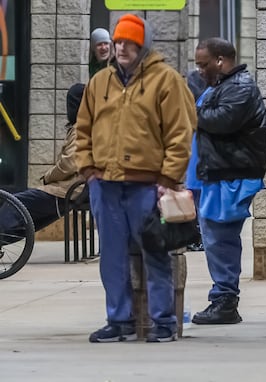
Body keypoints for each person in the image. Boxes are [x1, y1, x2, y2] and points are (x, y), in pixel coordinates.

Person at [75, 14, 196, 343]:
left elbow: (180, 133)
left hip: (148, 186)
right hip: (106, 185)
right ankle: (119, 320)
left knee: (155, 252)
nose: (123, 47)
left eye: (130, 42)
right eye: (119, 41)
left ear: (144, 46)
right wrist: (88, 171)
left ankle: (164, 321)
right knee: (111, 256)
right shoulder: (99, 83)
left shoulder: (166, 81)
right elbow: (82, 130)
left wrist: (169, 179)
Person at [191, 37, 266, 325]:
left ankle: (224, 300)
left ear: (221, 60)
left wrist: (190, 112)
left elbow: (220, 120)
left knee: (220, 238)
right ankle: (223, 297)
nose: (199, 70)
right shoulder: (223, 86)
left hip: (231, 174)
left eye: (203, 64)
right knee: (215, 237)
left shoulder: (240, 87)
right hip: (219, 173)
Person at [0, 83, 85, 238]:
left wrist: (48, 176)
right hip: (69, 188)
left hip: (66, 190)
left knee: (15, 203)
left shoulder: (81, 129)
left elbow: (69, 164)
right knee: (21, 210)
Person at [184, 66, 208, 252]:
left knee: (198, 201)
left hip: (198, 157)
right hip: (200, 158)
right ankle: (199, 236)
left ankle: (197, 236)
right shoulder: (207, 98)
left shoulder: (200, 103)